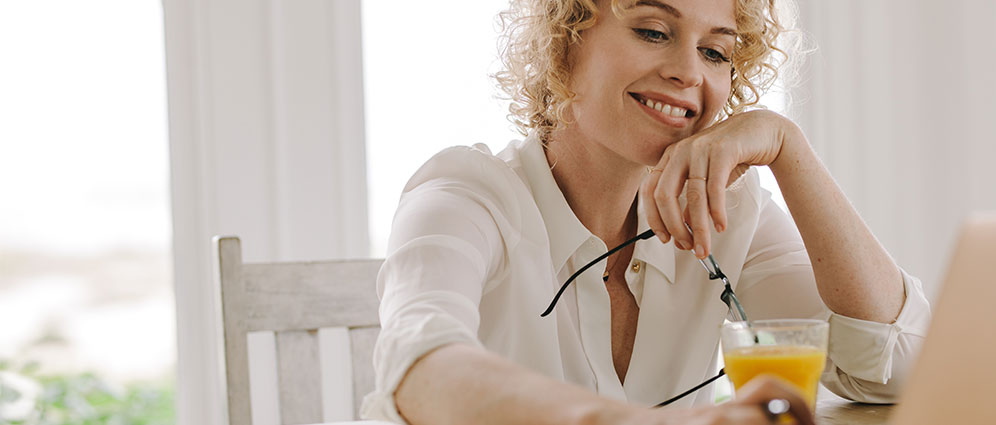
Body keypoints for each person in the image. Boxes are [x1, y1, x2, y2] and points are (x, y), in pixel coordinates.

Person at [361, 0, 932, 424]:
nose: (689, 71)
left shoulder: (724, 207)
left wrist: (788, 149)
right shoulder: (466, 194)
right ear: (565, 41)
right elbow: (419, 366)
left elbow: (894, 368)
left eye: (716, 52)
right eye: (653, 31)